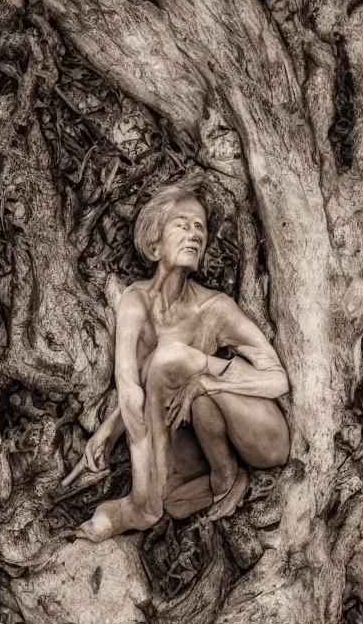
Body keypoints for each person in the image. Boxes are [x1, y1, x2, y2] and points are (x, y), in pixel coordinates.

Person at [73, 181, 290, 542]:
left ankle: (141, 506)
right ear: (155, 245)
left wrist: (210, 380)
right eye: (182, 224)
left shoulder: (215, 308)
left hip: (264, 437)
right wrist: (109, 431)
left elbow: (277, 379)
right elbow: (132, 387)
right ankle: (221, 479)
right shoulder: (135, 301)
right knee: (175, 500)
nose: (195, 234)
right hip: (201, 428)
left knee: (171, 360)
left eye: (200, 228)